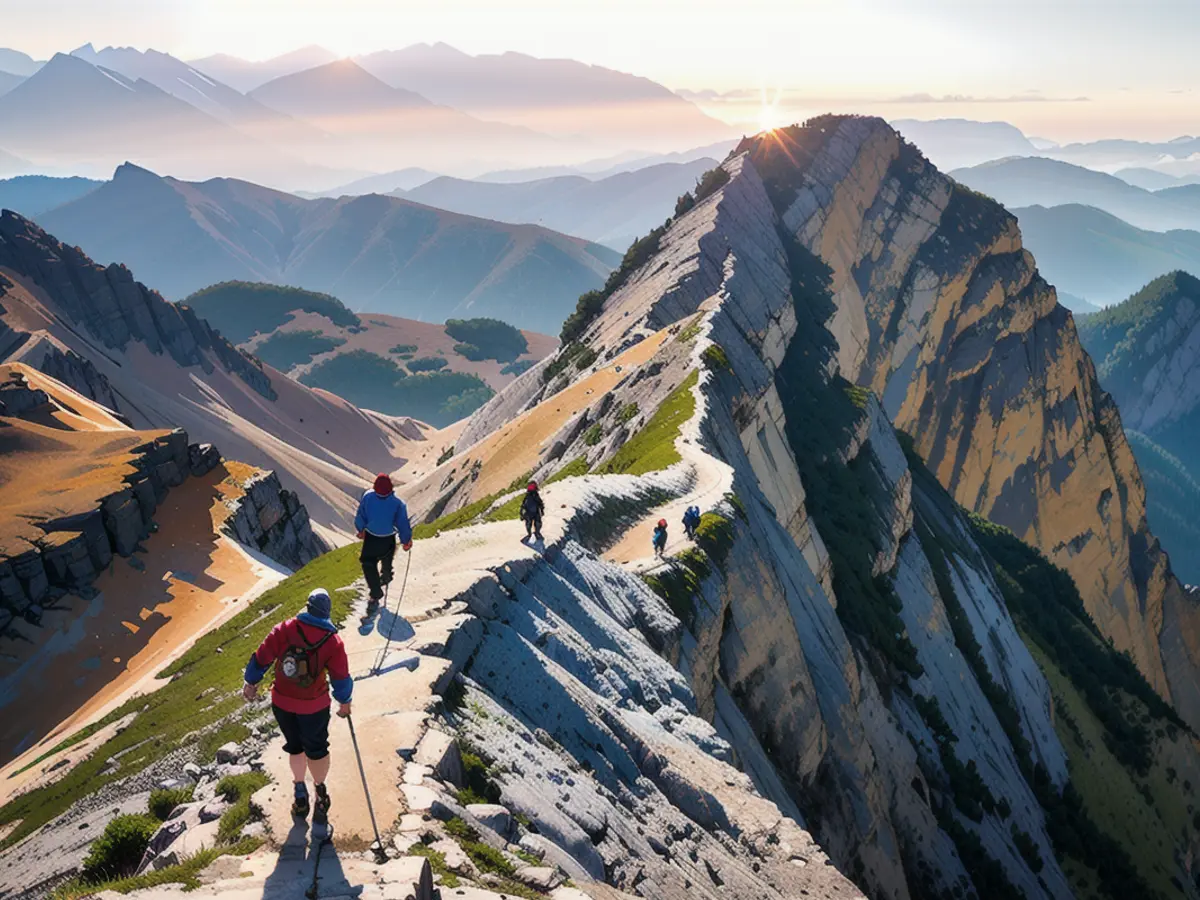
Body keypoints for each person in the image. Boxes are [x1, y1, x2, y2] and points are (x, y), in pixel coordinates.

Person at [242, 588, 352, 823]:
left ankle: (299, 790)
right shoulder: (333, 642)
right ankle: (320, 792)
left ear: (307, 607)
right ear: (327, 613)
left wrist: (250, 683)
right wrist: (345, 704)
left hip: (282, 702)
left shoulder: (285, 629)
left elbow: (261, 658)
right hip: (314, 706)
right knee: (317, 749)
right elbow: (341, 678)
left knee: (295, 746)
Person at [355, 473, 413, 608]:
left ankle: (376, 593)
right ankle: (386, 574)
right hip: (388, 538)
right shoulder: (398, 503)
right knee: (386, 558)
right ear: (391, 488)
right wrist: (406, 541)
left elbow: (360, 515)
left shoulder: (368, 497)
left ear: (375, 487)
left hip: (371, 537)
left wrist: (361, 529)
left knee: (368, 562)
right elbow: (403, 524)